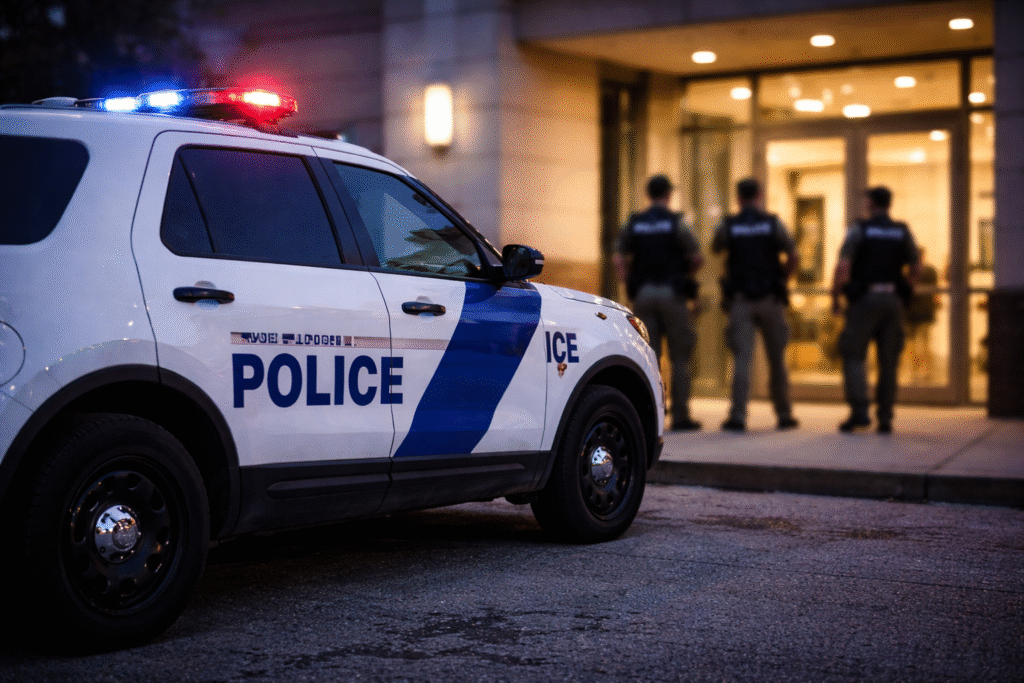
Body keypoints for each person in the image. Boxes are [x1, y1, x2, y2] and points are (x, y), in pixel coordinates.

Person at [614, 174, 704, 431]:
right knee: (681, 355)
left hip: (642, 294)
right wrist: (686, 277)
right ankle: (681, 415)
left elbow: (618, 257)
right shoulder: (676, 223)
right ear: (668, 195)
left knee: (648, 356)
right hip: (672, 293)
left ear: (648, 195)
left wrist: (628, 283)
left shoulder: (635, 222)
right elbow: (697, 257)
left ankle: (649, 416)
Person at [712, 177, 799, 432]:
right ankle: (784, 414)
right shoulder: (772, 223)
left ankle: (738, 416)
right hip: (770, 298)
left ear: (738, 197)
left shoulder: (730, 225)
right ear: (759, 195)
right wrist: (782, 277)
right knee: (777, 359)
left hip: (741, 300)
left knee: (741, 360)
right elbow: (793, 255)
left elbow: (716, 248)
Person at [831, 186, 921, 434]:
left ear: (870, 203)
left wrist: (836, 296)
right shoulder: (901, 231)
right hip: (892, 301)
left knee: (853, 354)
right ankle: (885, 418)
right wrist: (906, 292)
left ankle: (860, 412)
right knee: (889, 361)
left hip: (864, 300)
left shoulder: (860, 229)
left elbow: (843, 265)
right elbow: (916, 266)